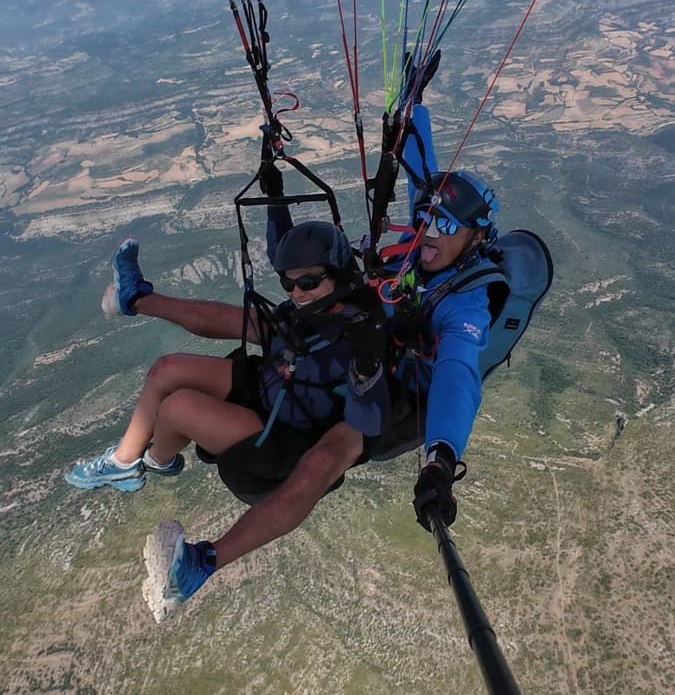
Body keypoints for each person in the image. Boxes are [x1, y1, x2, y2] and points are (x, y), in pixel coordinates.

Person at [65, 221, 389, 622]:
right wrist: (273, 195)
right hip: (274, 392)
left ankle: (157, 459)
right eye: (288, 285)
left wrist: (211, 557)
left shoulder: (360, 346)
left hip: (278, 450)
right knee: (166, 369)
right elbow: (219, 318)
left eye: (308, 281)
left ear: (338, 273)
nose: (297, 293)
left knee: (177, 407)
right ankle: (123, 463)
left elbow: (312, 478)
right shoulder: (311, 314)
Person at [378, 98, 500, 534]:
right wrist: (415, 106)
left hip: (400, 393)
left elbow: (456, 371)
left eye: (446, 225)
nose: (429, 232)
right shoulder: (428, 236)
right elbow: (420, 162)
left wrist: (441, 461)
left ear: (475, 238)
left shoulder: (466, 303)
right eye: (426, 218)